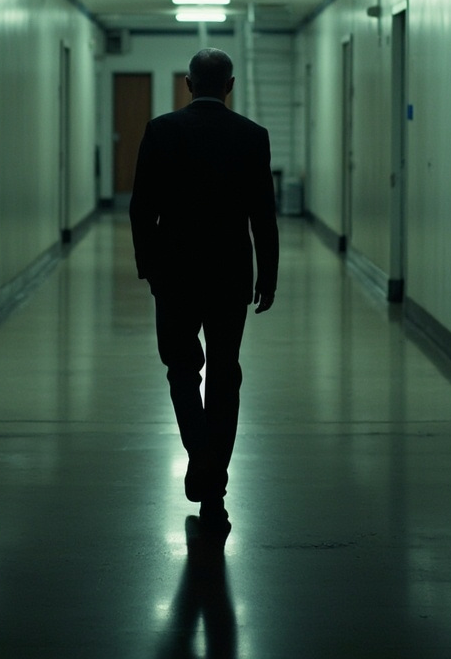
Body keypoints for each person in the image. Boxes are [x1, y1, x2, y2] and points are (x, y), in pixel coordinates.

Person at [129, 47, 279, 535]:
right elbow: (263, 215)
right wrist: (268, 274)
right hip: (230, 273)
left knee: (180, 369)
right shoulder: (253, 137)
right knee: (224, 373)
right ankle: (214, 479)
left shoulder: (161, 130)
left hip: (173, 272)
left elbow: (140, 208)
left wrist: (147, 266)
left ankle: (200, 455)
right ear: (230, 85)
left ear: (188, 84)